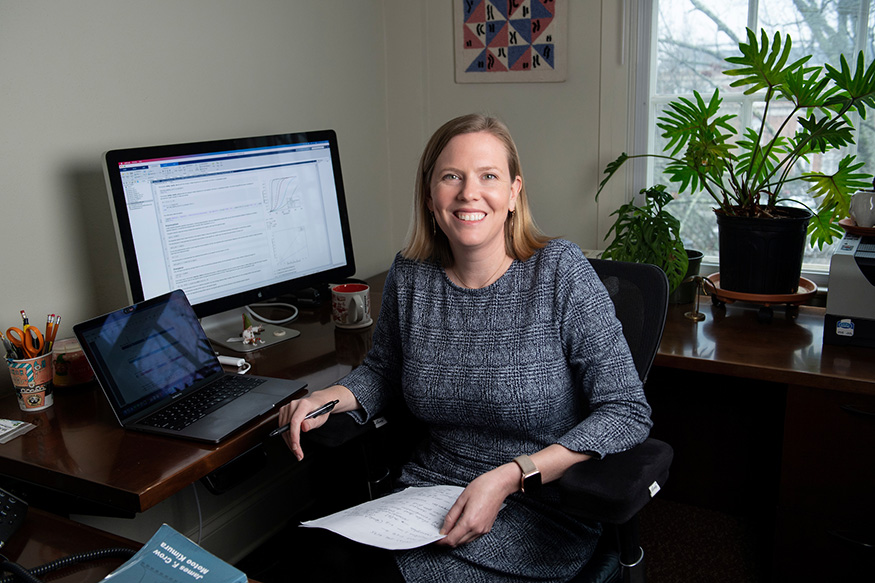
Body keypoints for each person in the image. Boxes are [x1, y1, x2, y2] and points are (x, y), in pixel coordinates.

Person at [278, 113, 652, 582]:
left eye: (488, 176)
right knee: (312, 560)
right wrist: (324, 399)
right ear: (431, 196)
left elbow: (625, 411)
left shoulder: (560, 272)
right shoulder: (411, 275)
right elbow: (383, 371)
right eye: (451, 176)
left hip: (541, 505)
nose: (468, 193)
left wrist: (511, 476)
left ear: (514, 192)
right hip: (427, 494)